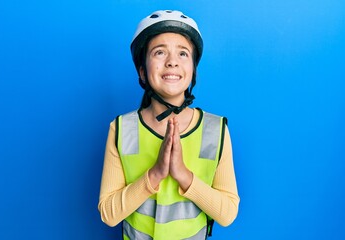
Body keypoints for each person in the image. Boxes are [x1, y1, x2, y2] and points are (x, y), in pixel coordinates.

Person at [98, 10, 239, 239]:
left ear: (193, 70)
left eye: (183, 53)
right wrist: (154, 175)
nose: (172, 61)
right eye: (159, 52)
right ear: (142, 71)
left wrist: (184, 175)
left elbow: (228, 214)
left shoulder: (216, 130)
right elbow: (108, 214)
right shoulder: (122, 129)